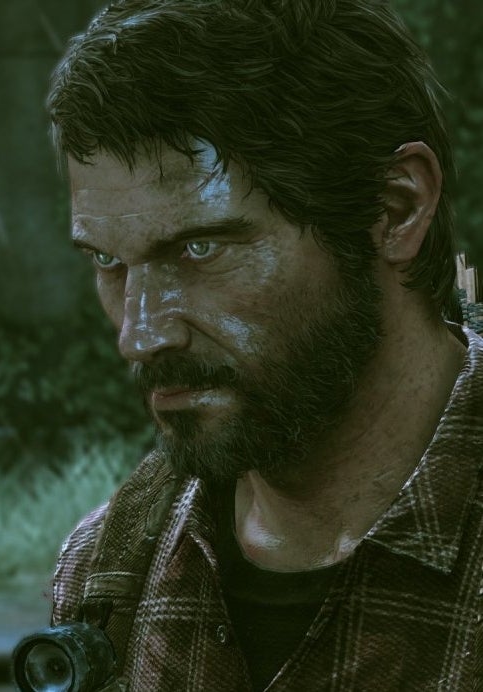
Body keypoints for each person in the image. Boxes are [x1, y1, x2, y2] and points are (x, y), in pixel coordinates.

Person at [40, 0, 482, 689]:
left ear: (393, 208)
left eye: (199, 248)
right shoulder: (108, 570)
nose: (140, 334)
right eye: (108, 262)